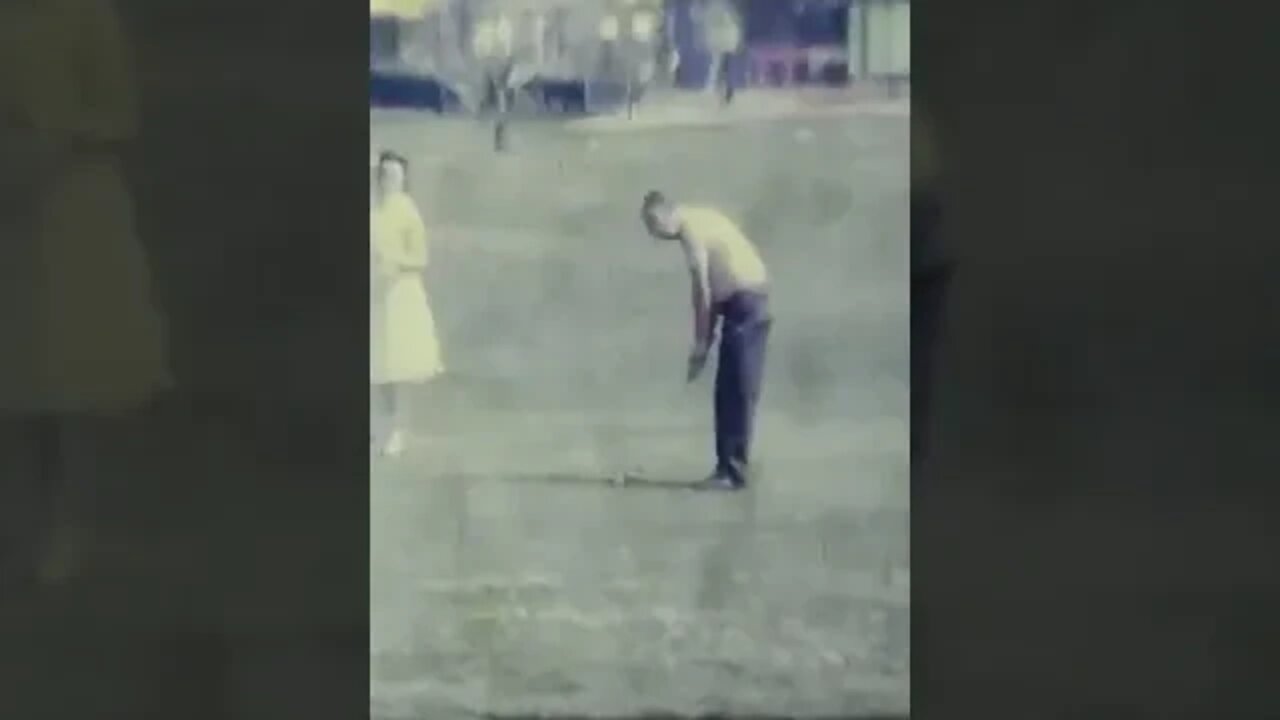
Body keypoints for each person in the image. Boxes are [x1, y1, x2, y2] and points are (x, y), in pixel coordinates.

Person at [0, 0, 171, 585]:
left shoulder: (87, 14)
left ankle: (66, 529)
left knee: (68, 378)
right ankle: (22, 520)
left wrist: (62, 142)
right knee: (17, 377)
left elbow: (120, 113)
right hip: (9, 204)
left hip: (70, 206)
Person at [640, 191, 771, 490]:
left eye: (653, 223)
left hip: (746, 301)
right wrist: (706, 339)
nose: (654, 233)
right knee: (734, 388)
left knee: (734, 390)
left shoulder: (690, 229)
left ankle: (732, 472)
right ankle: (733, 465)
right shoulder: (703, 216)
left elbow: (702, 291)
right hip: (751, 298)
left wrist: (701, 346)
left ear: (666, 214)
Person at [370, 150, 444, 458]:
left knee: (397, 366)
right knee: (378, 367)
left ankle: (398, 431)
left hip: (401, 295)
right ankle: (383, 427)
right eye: (385, 174)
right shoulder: (374, 210)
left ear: (404, 180)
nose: (389, 180)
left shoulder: (408, 211)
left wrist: (394, 263)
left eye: (395, 175)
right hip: (376, 293)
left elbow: (420, 259)